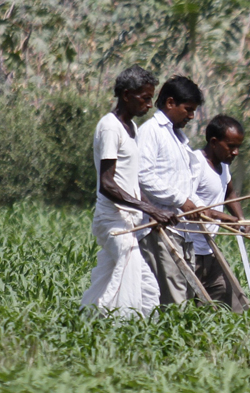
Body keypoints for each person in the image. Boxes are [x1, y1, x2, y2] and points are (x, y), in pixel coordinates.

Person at [80, 66, 173, 318]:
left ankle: (87, 317)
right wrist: (150, 208)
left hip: (129, 221)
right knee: (131, 282)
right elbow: (108, 184)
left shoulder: (130, 127)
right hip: (113, 221)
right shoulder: (110, 127)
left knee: (138, 284)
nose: (150, 104)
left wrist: (153, 212)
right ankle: (110, 325)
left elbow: (130, 182)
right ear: (126, 95)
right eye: (145, 98)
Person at [137, 75, 205, 305]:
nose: (191, 116)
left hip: (182, 229)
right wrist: (180, 200)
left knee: (186, 292)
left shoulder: (178, 138)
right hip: (160, 228)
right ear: (170, 103)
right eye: (188, 109)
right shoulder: (151, 131)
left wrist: (198, 206)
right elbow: (143, 175)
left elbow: (184, 183)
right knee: (173, 297)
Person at [185, 115, 250, 312]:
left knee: (230, 300)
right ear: (214, 142)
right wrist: (225, 219)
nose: (236, 152)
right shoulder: (196, 162)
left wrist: (240, 220)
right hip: (188, 249)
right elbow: (189, 202)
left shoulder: (223, 166)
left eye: (238, 147)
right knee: (184, 304)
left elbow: (229, 193)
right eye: (231, 146)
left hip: (209, 249)